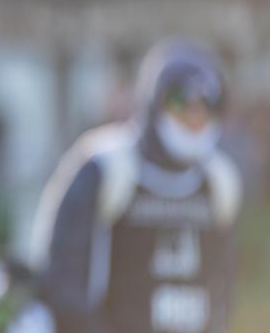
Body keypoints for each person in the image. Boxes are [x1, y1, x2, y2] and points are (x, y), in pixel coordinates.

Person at [31, 40, 243, 333]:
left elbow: (223, 287)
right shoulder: (105, 166)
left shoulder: (220, 180)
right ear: (154, 100)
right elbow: (63, 281)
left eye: (207, 105)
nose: (195, 118)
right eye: (182, 103)